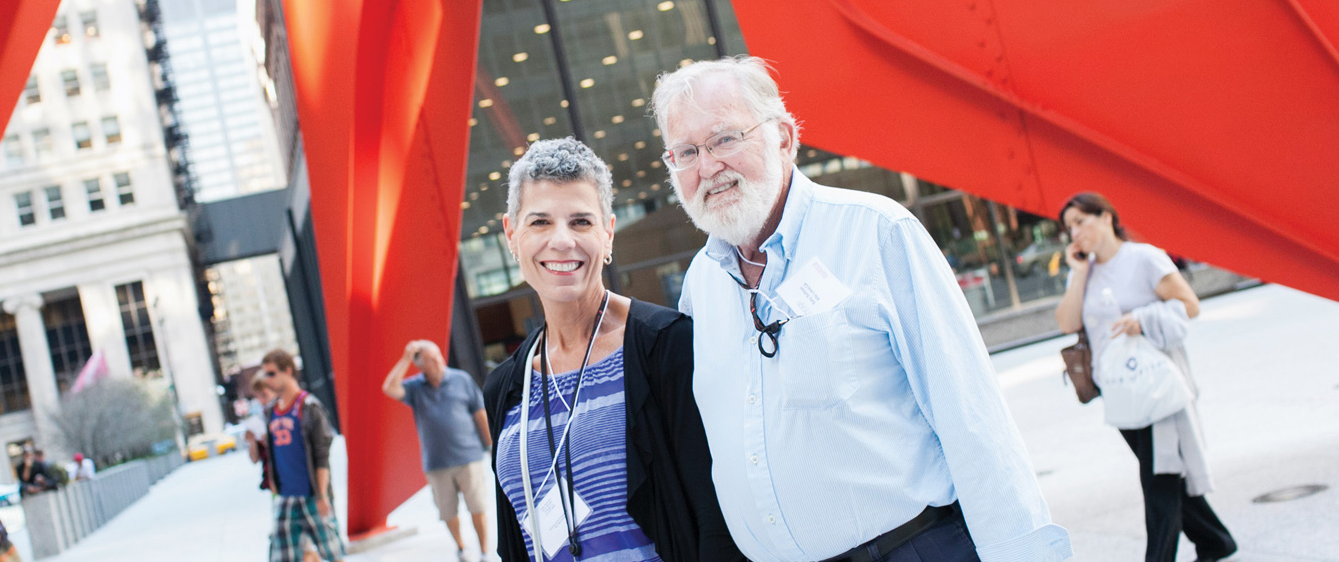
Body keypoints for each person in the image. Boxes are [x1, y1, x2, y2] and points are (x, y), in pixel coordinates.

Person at [651, 56, 1071, 561]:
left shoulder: (876, 233)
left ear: (783, 137)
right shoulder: (701, 286)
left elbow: (970, 416)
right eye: (687, 152)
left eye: (724, 139)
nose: (708, 166)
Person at [483, 137, 742, 562]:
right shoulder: (506, 388)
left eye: (581, 222)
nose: (561, 240)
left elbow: (717, 521)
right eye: (540, 222)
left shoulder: (668, 348)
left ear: (608, 233)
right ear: (512, 234)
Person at [1053, 192, 1237, 562]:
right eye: (1069, 226)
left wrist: (1143, 320)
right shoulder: (1085, 271)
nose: (1075, 231)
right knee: (1162, 474)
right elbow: (1067, 323)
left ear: (1106, 217)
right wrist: (1078, 273)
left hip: (1154, 385)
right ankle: (1215, 540)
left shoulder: (1143, 258)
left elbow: (1189, 305)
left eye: (1081, 220)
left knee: (1159, 480)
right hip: (1116, 390)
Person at [382, 339, 495, 562]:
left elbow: (479, 412)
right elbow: (389, 388)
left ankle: (483, 552)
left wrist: (491, 445)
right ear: (420, 365)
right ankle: (462, 548)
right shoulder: (415, 388)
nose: (438, 361)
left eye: (437, 356)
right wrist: (406, 358)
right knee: (448, 512)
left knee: (478, 506)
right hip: (437, 463)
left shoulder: (461, 379)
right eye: (431, 359)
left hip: (468, 457)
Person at [256, 348, 347, 562]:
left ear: (288, 371)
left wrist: (322, 495)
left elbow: (321, 455)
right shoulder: (271, 411)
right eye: (265, 374)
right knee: (282, 556)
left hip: (312, 495)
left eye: (271, 374)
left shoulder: (309, 407)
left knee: (332, 553)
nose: (267, 380)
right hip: (285, 497)